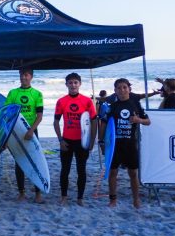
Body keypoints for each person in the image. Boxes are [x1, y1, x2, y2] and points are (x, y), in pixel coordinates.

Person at [101, 78, 150, 209]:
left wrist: (138, 119)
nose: (122, 90)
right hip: (115, 146)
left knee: (133, 173)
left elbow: (148, 121)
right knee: (113, 173)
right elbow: (104, 124)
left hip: (130, 144)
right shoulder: (112, 107)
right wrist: (101, 141)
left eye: (124, 87)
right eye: (119, 88)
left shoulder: (135, 105)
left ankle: (136, 200)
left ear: (129, 89)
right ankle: (113, 200)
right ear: (115, 90)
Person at [53, 73, 97, 206]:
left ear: (80, 84)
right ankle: (64, 197)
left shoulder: (87, 101)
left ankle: (80, 198)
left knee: (81, 170)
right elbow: (55, 122)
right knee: (64, 170)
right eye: (70, 83)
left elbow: (94, 122)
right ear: (66, 84)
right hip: (67, 141)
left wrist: (91, 141)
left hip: (82, 142)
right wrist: (60, 140)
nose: (73, 85)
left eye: (75, 82)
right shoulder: (61, 101)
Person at [5, 67, 44, 203]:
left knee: (36, 161)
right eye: (22, 75)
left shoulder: (37, 94)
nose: (24, 77)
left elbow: (39, 116)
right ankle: (21, 193)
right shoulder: (13, 93)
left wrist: (31, 130)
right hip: (16, 132)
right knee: (19, 162)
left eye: (26, 75)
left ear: (31, 76)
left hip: (32, 130)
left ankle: (38, 192)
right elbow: (7, 113)